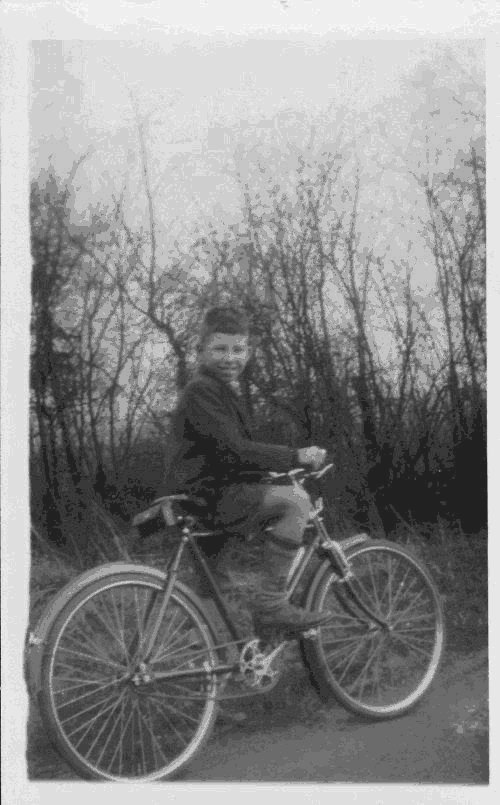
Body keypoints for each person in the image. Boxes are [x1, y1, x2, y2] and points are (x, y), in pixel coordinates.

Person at [163, 305, 332, 635]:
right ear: (200, 352)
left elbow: (221, 453)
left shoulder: (217, 391)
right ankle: (270, 605)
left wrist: (265, 474)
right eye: (220, 349)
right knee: (296, 501)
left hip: (196, 495)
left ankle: (213, 664)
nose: (230, 358)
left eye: (238, 350)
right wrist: (295, 456)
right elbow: (234, 450)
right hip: (210, 496)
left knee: (213, 587)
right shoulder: (203, 390)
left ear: (249, 351)